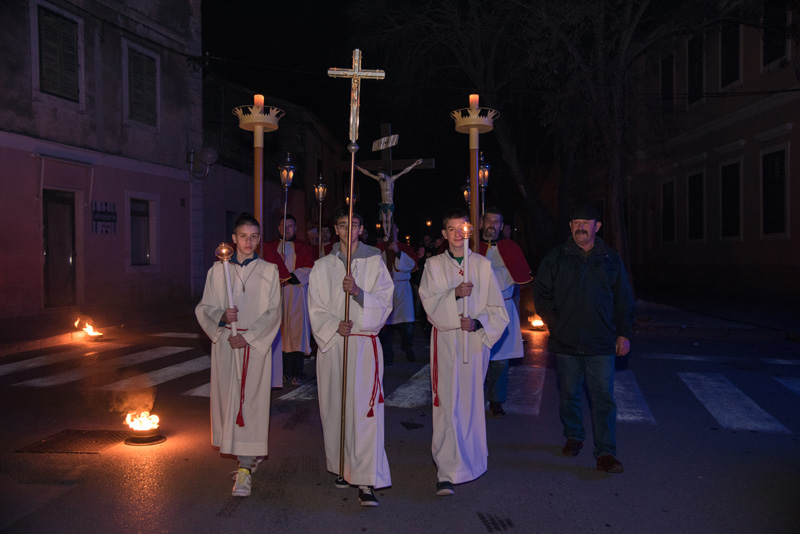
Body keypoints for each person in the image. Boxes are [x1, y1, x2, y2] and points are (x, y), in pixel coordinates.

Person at [533, 205, 635, 474]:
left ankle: (606, 453)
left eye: (586, 222)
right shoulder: (556, 258)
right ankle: (574, 435)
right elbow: (541, 294)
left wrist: (623, 333)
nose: (580, 226)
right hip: (566, 342)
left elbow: (624, 298)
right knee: (569, 394)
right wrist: (556, 324)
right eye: (575, 221)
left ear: (597, 226)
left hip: (601, 342)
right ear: (570, 226)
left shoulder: (610, 259)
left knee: (603, 397)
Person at [418, 208, 509, 496]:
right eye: (452, 229)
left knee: (469, 404)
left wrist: (478, 323)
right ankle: (446, 470)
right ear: (444, 234)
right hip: (445, 344)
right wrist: (454, 295)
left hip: (472, 344)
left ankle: (471, 460)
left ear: (469, 232)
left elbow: (499, 312)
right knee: (446, 405)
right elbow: (429, 305)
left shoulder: (481, 266)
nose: (458, 234)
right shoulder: (433, 266)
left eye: (463, 228)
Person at [308, 207, 394, 507]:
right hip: (334, 346)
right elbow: (315, 306)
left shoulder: (375, 262)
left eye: (354, 224)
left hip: (362, 345)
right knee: (335, 409)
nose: (348, 229)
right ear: (336, 229)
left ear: (361, 229)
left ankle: (367, 479)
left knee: (364, 413)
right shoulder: (322, 266)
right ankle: (343, 466)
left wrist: (358, 292)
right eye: (343, 224)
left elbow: (385, 303)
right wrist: (335, 325)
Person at [195, 213, 282, 497]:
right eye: (243, 236)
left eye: (254, 237)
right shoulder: (218, 271)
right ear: (233, 239)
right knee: (229, 404)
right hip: (226, 344)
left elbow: (273, 312)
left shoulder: (269, 270)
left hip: (253, 346)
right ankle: (244, 456)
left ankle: (244, 469)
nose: (249, 242)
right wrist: (221, 316)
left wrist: (249, 336)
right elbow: (204, 307)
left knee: (250, 405)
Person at [478, 207, 532, 418]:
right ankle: (472, 398)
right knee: (475, 358)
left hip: (503, 307)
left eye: (497, 221)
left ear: (502, 226)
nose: (493, 224)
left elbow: (517, 276)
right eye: (489, 220)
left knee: (500, 359)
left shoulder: (510, 248)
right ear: (481, 223)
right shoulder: (471, 247)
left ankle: (496, 401)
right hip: (479, 310)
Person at [266, 214, 314, 386]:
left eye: (290, 226)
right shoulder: (270, 247)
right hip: (277, 295)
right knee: (280, 333)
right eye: (283, 226)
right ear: (278, 228)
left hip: (296, 295)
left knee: (297, 334)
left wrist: (290, 275)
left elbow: (310, 268)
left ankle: (297, 372)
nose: (287, 229)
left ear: (296, 228)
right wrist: (278, 263)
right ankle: (283, 372)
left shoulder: (304, 247)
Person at [377, 224, 419, 365]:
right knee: (385, 325)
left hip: (402, 288)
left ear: (397, 230)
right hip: (385, 288)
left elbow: (411, 264)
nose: (389, 230)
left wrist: (399, 252)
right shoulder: (378, 248)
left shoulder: (404, 247)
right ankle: (388, 354)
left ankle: (407, 348)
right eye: (386, 228)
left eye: (392, 228)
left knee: (407, 324)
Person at [355, 159, 422, 237]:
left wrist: (415, 164)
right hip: (383, 203)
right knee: (384, 220)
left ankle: (388, 234)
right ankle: (385, 233)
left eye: (380, 175)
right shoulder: (380, 180)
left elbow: (404, 172)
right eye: (379, 175)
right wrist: (358, 168)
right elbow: (368, 174)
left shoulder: (391, 179)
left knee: (388, 220)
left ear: (384, 174)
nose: (379, 176)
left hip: (390, 203)